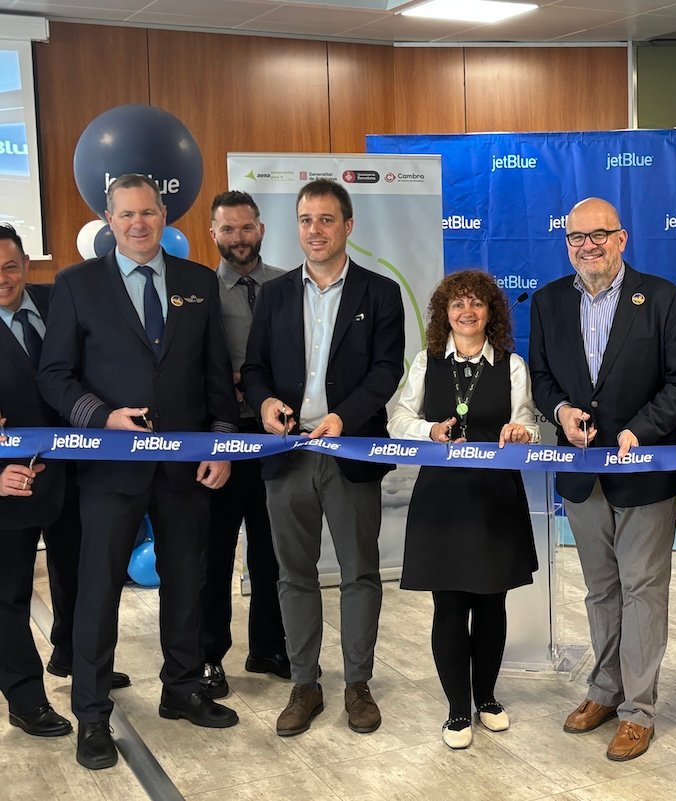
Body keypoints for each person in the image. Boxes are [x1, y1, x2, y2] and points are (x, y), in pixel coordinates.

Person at [37, 174, 242, 770]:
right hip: (109, 469)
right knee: (98, 592)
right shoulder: (76, 285)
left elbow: (215, 377)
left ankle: (182, 689)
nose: (138, 224)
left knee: (187, 582)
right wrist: (102, 416)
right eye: (126, 214)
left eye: (147, 212)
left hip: (184, 470)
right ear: (109, 219)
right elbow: (55, 375)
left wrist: (220, 444)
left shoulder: (198, 283)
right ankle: (92, 715)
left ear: (164, 215)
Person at [528, 197, 676, 761]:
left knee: (642, 590)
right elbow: (542, 377)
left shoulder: (663, 298)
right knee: (601, 589)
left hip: (644, 471)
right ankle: (605, 690)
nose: (588, 246)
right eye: (576, 237)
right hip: (582, 473)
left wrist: (639, 431)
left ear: (621, 239)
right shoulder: (549, 301)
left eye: (599, 235)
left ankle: (639, 711)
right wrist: (561, 414)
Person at [242, 178, 405, 738]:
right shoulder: (274, 294)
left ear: (348, 226)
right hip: (287, 454)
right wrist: (264, 403)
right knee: (293, 574)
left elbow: (386, 370)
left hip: (349, 450)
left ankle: (358, 684)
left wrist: (344, 417)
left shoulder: (380, 293)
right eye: (306, 220)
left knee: (360, 572)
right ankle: (305, 684)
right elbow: (255, 368)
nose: (315, 230)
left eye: (326, 219)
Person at [389, 269, 539, 750]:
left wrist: (521, 432)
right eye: (458, 304)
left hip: (495, 497)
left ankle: (487, 698)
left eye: (477, 303)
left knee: (492, 603)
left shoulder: (512, 365)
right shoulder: (426, 361)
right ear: (445, 314)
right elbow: (398, 419)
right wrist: (429, 431)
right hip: (442, 499)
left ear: (490, 312)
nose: (467, 312)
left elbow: (528, 422)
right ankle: (457, 709)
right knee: (449, 606)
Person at [199, 191, 290, 699]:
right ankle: (210, 656)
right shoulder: (198, 292)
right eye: (228, 229)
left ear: (261, 228)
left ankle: (269, 647)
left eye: (247, 227)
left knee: (271, 550)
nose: (239, 238)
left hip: (276, 437)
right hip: (221, 435)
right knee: (213, 553)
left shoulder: (288, 284)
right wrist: (231, 386)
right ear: (214, 233)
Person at [0, 223, 73, 739]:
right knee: (8, 596)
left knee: (80, 577)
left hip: (76, 475)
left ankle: (74, 656)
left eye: (10, 266)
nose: (2, 279)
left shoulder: (59, 301)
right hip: (11, 485)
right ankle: (25, 699)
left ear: (27, 264)